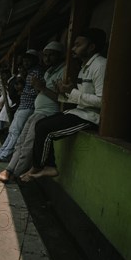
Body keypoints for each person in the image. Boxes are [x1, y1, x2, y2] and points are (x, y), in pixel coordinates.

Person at [22, 29, 107, 181]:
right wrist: (64, 93)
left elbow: (102, 101)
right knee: (41, 125)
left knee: (45, 128)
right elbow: (79, 97)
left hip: (91, 117)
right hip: (80, 112)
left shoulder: (100, 65)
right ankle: (42, 166)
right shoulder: (85, 67)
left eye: (78, 45)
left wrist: (72, 92)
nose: (73, 49)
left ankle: (43, 167)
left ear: (91, 47)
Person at [0, 42, 65, 183]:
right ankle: (8, 171)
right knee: (20, 142)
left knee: (27, 144)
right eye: (45, 55)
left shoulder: (62, 71)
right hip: (36, 110)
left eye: (51, 55)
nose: (47, 58)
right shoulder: (48, 72)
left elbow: (62, 98)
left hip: (46, 113)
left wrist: (40, 88)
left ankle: (14, 174)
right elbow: (39, 90)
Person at [0, 49, 44, 162]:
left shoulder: (36, 73)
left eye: (28, 61)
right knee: (13, 130)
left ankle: (5, 155)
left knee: (15, 131)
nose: (25, 63)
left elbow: (38, 91)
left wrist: (22, 91)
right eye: (24, 61)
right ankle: (1, 152)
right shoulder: (30, 72)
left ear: (34, 60)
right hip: (23, 105)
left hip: (29, 105)